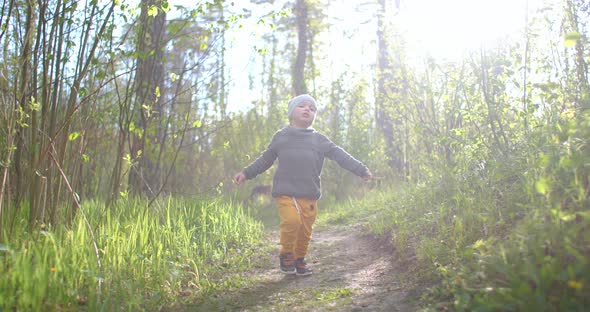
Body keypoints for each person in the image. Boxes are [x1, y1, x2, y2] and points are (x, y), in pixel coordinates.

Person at [233, 94, 372, 276]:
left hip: (310, 193)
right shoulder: (281, 137)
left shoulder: (319, 140)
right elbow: (265, 160)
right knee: (292, 221)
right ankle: (287, 254)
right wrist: (246, 173)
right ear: (292, 112)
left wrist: (360, 169)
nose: (307, 109)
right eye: (302, 106)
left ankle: (299, 258)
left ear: (314, 115)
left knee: (305, 230)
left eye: (312, 108)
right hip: (286, 192)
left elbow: (340, 155)